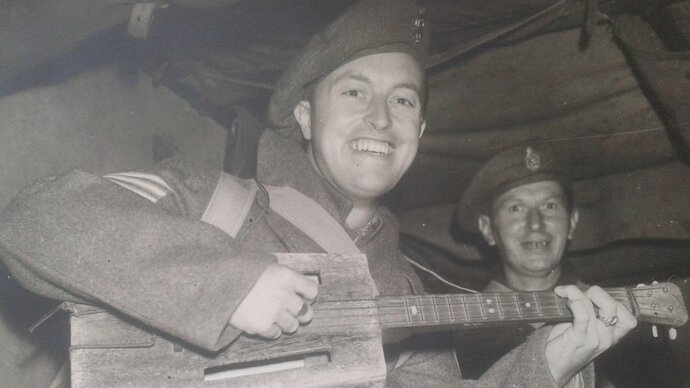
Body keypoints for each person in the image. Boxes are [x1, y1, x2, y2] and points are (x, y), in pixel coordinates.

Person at [0, 1, 635, 387]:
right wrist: (226, 284)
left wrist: (549, 364)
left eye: (403, 101)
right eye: (355, 92)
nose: (381, 120)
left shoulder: (406, 291)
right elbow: (38, 220)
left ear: (420, 132)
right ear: (304, 116)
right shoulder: (210, 196)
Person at [453, 144, 591, 379]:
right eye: (516, 208)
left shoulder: (616, 315)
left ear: (572, 222)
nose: (535, 223)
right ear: (488, 230)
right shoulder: (462, 332)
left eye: (550, 206)